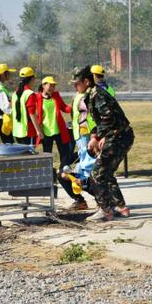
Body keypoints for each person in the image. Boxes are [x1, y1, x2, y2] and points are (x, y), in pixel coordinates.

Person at [73, 66, 134, 222]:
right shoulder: (92, 95)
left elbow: (108, 119)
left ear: (86, 81)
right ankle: (121, 207)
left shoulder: (97, 95)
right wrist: (96, 134)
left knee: (96, 173)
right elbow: (101, 121)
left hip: (119, 137)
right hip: (120, 136)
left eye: (77, 83)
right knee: (106, 172)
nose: (75, 86)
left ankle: (105, 210)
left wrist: (96, 137)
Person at [35, 76, 86, 209]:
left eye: (53, 85)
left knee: (65, 158)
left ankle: (65, 173)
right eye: (50, 85)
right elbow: (34, 115)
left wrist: (75, 108)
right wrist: (38, 130)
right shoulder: (37, 98)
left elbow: (64, 108)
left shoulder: (56, 95)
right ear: (43, 85)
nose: (52, 88)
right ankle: (49, 180)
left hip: (59, 131)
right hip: (46, 133)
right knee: (47, 157)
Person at [67, 70, 99, 211]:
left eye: (77, 84)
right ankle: (96, 198)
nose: (75, 87)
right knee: (84, 166)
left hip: (87, 134)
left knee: (88, 166)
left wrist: (94, 135)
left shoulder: (88, 96)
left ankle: (100, 199)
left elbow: (92, 116)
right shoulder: (78, 95)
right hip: (79, 134)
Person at [12, 67, 43, 146]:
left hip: (17, 131)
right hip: (28, 132)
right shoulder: (30, 94)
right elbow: (32, 113)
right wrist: (38, 131)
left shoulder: (15, 93)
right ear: (32, 79)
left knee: (22, 156)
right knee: (29, 156)